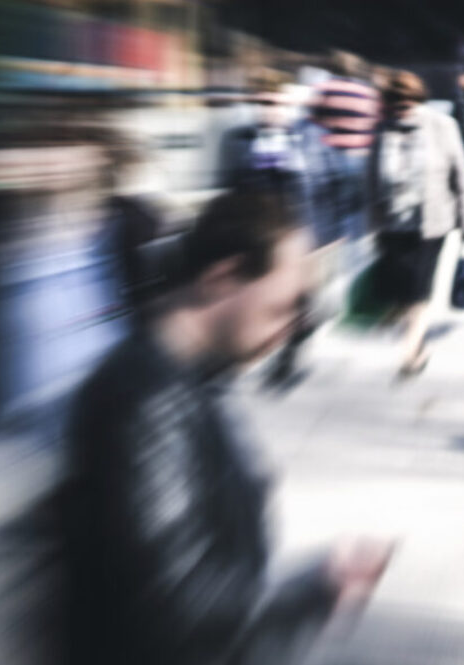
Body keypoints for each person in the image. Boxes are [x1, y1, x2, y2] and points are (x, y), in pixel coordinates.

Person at [59, 189, 394, 665]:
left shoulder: (187, 381)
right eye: (283, 306)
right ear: (223, 277)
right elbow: (177, 606)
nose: (293, 327)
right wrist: (319, 587)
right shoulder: (147, 402)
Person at [370, 70, 464, 377]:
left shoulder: (442, 126)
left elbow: (461, 174)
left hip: (432, 223)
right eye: (396, 105)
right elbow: (370, 180)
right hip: (392, 224)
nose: (402, 110)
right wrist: (371, 224)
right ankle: (413, 336)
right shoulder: (382, 130)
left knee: (418, 288)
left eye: (407, 103)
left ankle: (411, 352)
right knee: (402, 289)